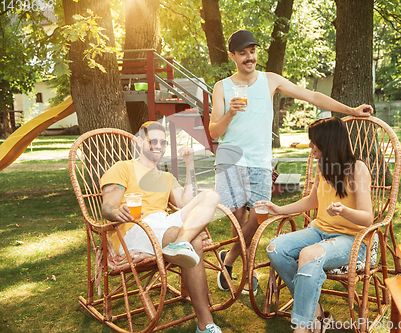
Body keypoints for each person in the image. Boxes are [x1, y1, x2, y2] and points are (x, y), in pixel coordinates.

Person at [209, 29, 374, 295]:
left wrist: (351, 110)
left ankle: (228, 260)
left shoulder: (270, 80)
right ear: (233, 56)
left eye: (252, 51)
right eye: (243, 53)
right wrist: (230, 112)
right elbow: (214, 132)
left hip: (260, 161)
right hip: (230, 159)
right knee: (237, 219)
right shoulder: (222, 87)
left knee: (257, 218)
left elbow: (313, 96)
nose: (249, 57)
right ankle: (246, 273)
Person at [100, 121, 223, 333]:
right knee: (194, 241)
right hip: (134, 228)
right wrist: (114, 212)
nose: (158, 146)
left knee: (210, 196)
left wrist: (190, 164)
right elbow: (108, 207)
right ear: (139, 142)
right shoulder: (123, 168)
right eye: (152, 141)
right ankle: (206, 323)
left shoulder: (166, 176)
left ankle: (180, 243)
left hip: (162, 222)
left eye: (163, 142)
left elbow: (185, 203)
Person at [261, 117, 373, 333]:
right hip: (319, 231)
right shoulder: (324, 166)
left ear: (328, 142)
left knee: (309, 255)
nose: (310, 146)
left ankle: (302, 328)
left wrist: (344, 211)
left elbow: (367, 218)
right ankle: (315, 312)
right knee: (276, 249)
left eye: (314, 141)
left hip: (352, 240)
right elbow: (312, 201)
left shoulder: (358, 169)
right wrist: (278, 209)